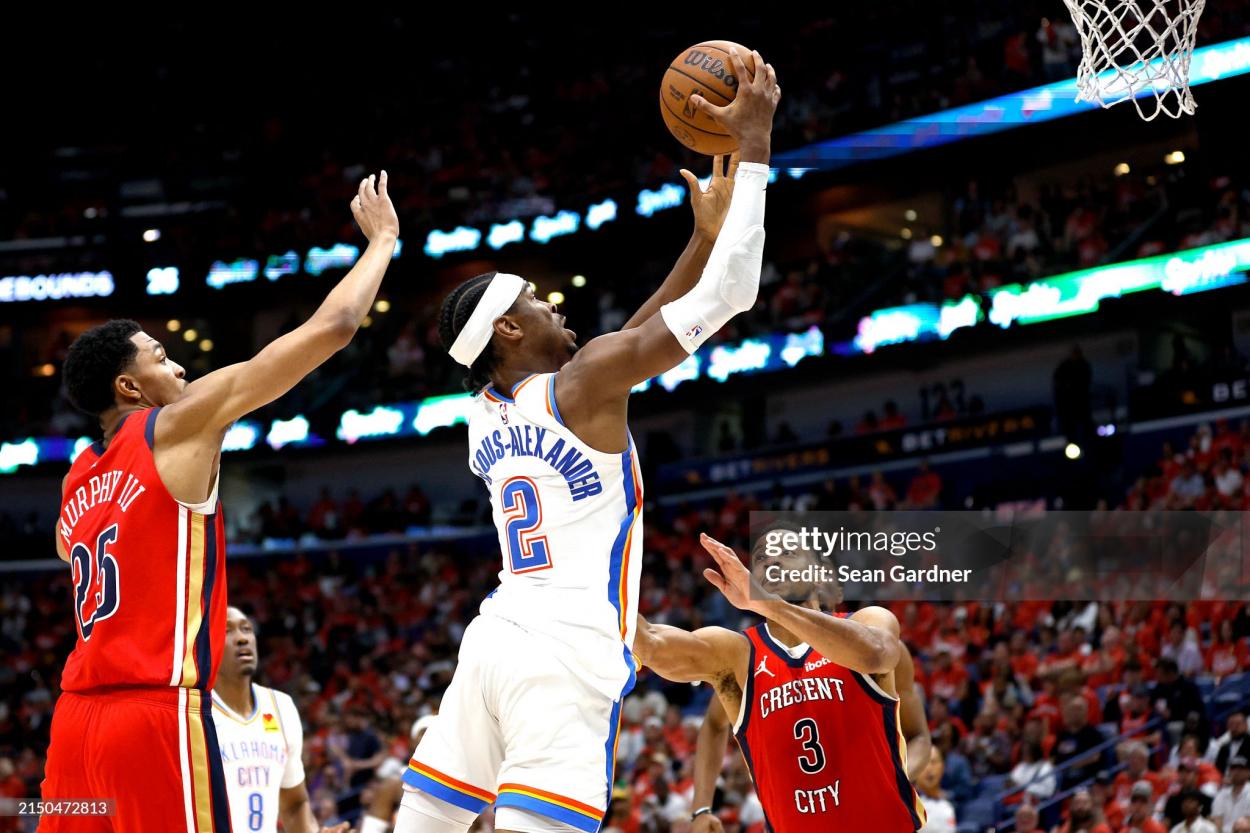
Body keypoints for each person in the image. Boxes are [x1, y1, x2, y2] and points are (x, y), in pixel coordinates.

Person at [396, 48, 780, 833]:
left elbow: (619, 351)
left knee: (423, 823)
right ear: (508, 328)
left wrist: (700, 243)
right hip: (565, 655)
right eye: (537, 302)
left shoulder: (484, 415)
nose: (555, 307)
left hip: (493, 639)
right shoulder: (582, 382)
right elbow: (734, 295)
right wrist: (755, 148)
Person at [41, 173, 398, 831]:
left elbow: (71, 549)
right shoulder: (173, 425)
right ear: (130, 386)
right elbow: (336, 325)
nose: (179, 367)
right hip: (153, 718)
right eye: (162, 357)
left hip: (73, 731)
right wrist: (382, 242)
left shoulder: (75, 479)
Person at [635, 531, 928, 832]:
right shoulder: (738, 654)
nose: (772, 560)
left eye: (788, 552)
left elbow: (876, 655)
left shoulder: (868, 622)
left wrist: (902, 774)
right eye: (760, 557)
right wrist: (701, 806)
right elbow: (651, 645)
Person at [212, 607, 345, 833]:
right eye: (227, 631)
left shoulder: (281, 706)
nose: (243, 638)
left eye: (247, 629)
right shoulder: (193, 712)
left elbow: (294, 804)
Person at [916, 748, 957, 832]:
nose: (929, 768)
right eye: (924, 763)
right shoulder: (906, 803)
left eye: (933, 762)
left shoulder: (952, 803)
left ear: (942, 766)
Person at [1213, 757, 1250, 833]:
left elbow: (1248, 823)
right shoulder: (1221, 794)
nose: (1236, 772)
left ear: (1248, 772)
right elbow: (1217, 821)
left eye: (1241, 769)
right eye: (1233, 769)